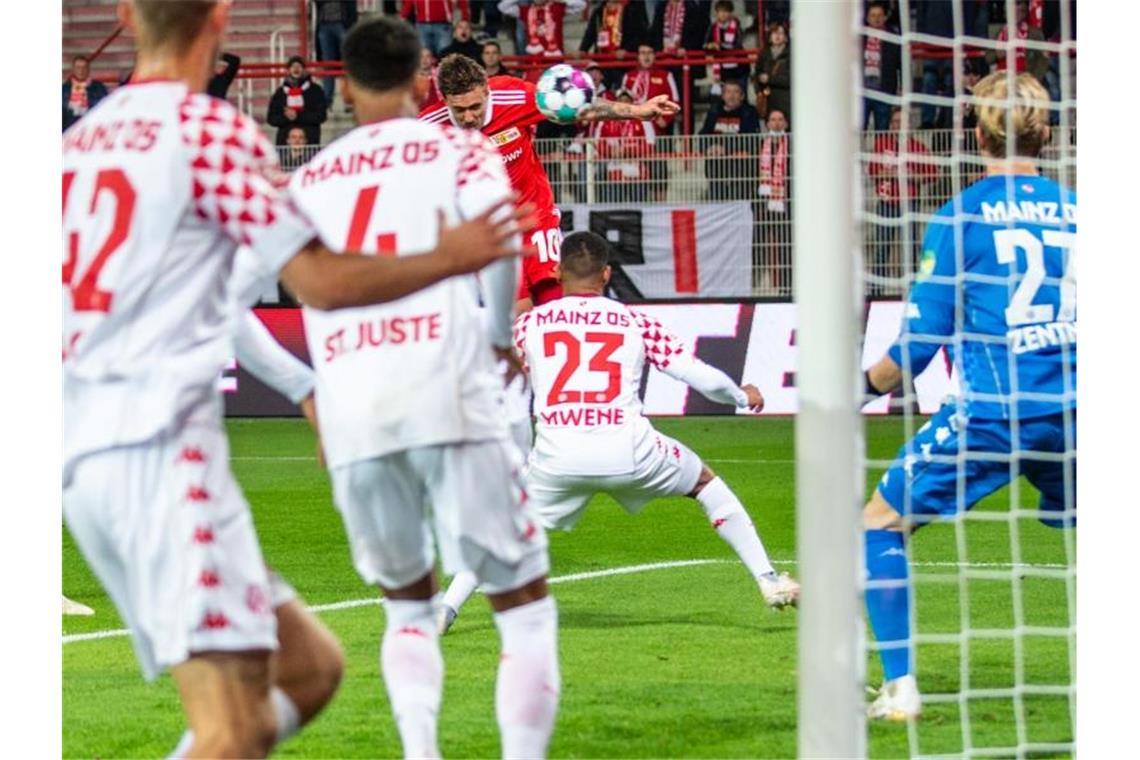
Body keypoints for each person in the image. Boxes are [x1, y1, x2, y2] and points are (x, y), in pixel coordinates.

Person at [62, 2, 528, 756]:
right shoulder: (209, 131)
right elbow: (318, 279)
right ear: (219, 17)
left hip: (87, 455)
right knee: (229, 729)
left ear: (125, 14)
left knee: (312, 669)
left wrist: (306, 390)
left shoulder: (74, 145)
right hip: (156, 453)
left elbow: (219, 296)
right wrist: (455, 254)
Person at [287, 18, 560, 758]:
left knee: (405, 609)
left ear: (344, 87)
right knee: (524, 609)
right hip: (446, 386)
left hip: (354, 407)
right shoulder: (462, 148)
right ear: (422, 84)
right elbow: (500, 241)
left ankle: (420, 752)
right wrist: (502, 337)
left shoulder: (312, 177)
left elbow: (290, 281)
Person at [437, 231, 801, 631]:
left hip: (557, 456)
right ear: (607, 274)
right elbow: (697, 375)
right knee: (705, 484)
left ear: (557, 272)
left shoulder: (529, 325)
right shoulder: (634, 321)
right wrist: (740, 395)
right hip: (631, 449)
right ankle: (768, 581)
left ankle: (446, 609)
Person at [862, 72, 1075, 721]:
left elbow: (917, 347)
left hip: (994, 411)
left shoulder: (963, 215)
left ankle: (900, 689)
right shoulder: (1079, 212)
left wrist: (854, 394)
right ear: (1048, 133)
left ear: (973, 133)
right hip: (1079, 411)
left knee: (876, 524)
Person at [421, 53, 677, 311]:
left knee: (555, 304)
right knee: (518, 313)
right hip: (490, 233)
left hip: (535, 218)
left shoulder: (513, 95)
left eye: (475, 107)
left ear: (487, 92)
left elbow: (577, 104)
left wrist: (637, 111)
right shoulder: (427, 130)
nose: (468, 117)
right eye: (459, 110)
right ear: (444, 101)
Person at [866, 108, 938, 296]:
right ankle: (876, 292)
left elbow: (932, 174)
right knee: (882, 249)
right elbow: (874, 172)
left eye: (902, 122)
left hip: (909, 204)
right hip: (886, 203)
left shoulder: (917, 147)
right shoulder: (882, 145)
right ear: (891, 125)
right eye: (895, 122)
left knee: (911, 250)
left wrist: (913, 176)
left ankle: (915, 291)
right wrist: (900, 174)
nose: (898, 126)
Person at [699, 79, 759, 201]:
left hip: (741, 170)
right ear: (723, 95)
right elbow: (703, 134)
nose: (731, 96)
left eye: (735, 92)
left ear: (742, 96)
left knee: (740, 202)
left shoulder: (749, 112)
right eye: (728, 92)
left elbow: (751, 138)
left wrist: (726, 149)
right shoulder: (714, 111)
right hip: (716, 168)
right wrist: (709, 147)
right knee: (717, 202)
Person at [592, 89, 656, 203]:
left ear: (632, 103)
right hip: (614, 172)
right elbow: (597, 143)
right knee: (613, 208)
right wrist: (610, 152)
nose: (624, 104)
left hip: (637, 173)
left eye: (627, 101)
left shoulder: (643, 120)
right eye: (620, 101)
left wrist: (627, 151)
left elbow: (650, 145)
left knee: (639, 207)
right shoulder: (605, 120)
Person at [650, 0, 710, 115]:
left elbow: (699, 31)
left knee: (686, 101)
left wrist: (686, 48)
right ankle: (666, 132)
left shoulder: (692, 7)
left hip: (683, 63)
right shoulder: (661, 7)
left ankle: (687, 132)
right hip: (663, 63)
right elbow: (655, 31)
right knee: (663, 102)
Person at [754, 108, 790, 294]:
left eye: (780, 119)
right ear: (767, 123)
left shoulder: (792, 145)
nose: (776, 123)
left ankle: (785, 286)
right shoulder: (760, 144)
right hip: (764, 203)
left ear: (785, 123)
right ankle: (766, 283)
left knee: (786, 244)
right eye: (773, 119)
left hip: (787, 203)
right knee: (765, 245)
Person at [579, 0, 650, 91]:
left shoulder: (631, 8)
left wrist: (626, 50)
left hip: (623, 63)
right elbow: (590, 32)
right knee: (600, 93)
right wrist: (583, 49)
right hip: (602, 61)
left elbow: (640, 34)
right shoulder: (599, 11)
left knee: (622, 93)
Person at [266, 55, 329, 146]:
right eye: (293, 66)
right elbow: (271, 118)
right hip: (286, 144)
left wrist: (298, 116)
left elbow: (321, 116)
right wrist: (286, 117)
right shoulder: (280, 93)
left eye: (299, 66)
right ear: (288, 70)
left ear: (304, 70)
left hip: (310, 141)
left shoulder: (315, 90)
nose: (296, 69)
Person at [621, 45, 680, 136]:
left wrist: (665, 119)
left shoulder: (666, 75)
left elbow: (675, 100)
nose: (646, 56)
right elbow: (621, 101)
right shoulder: (628, 76)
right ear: (638, 56)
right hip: (632, 125)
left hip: (656, 126)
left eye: (650, 53)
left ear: (654, 56)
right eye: (643, 53)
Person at [862, 0, 901, 131]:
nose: (876, 19)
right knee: (859, 132)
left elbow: (900, 65)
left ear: (885, 17)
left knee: (882, 133)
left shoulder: (893, 38)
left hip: (884, 91)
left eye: (879, 15)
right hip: (862, 92)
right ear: (867, 18)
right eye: (873, 15)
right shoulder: (859, 38)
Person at [314, 0, 358, 106]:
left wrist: (350, 27)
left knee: (347, 64)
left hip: (342, 25)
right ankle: (327, 100)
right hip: (324, 25)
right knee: (328, 64)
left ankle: (349, 98)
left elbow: (352, 9)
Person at [704, 0, 748, 97]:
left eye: (726, 11)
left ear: (730, 13)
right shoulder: (713, 27)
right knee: (721, 96)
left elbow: (738, 44)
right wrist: (710, 46)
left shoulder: (736, 26)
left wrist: (721, 46)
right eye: (720, 11)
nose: (723, 14)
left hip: (738, 68)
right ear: (717, 13)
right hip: (720, 68)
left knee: (741, 95)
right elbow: (705, 45)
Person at [401, 0, 470, 56]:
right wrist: (402, 17)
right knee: (424, 56)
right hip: (422, 25)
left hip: (443, 25)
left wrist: (465, 18)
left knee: (444, 54)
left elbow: (462, 2)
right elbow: (408, 2)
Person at [754, 22, 789, 122]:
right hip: (769, 100)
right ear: (769, 37)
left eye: (781, 33)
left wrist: (770, 79)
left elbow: (791, 79)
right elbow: (756, 75)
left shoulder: (791, 55)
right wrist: (759, 92)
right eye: (774, 33)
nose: (777, 36)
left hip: (786, 101)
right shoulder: (763, 54)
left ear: (786, 37)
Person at [63, 55, 109, 131]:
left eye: (84, 67)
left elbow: (104, 107)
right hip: (71, 128)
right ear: (73, 69)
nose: (81, 70)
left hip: (91, 127)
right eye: (78, 67)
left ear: (88, 69)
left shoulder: (99, 87)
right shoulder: (64, 89)